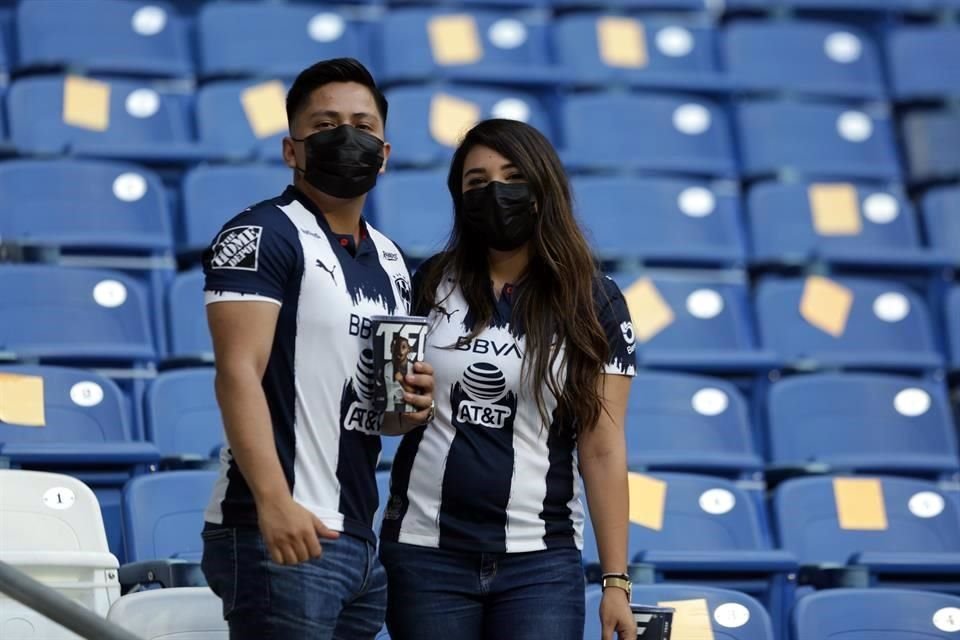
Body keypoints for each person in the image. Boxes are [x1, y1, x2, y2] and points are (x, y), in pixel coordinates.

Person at [199, 58, 435, 640]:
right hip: (276, 527)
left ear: (384, 152)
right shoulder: (259, 235)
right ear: (291, 149)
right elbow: (237, 373)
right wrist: (274, 503)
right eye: (326, 125)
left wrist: (408, 409)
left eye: (361, 124)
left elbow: (382, 413)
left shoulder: (391, 259)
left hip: (357, 540)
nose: (345, 136)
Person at [380, 119, 638, 640]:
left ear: (543, 190)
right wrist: (403, 411)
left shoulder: (596, 299)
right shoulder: (425, 283)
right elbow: (386, 417)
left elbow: (603, 446)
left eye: (512, 176)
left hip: (540, 563)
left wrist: (615, 581)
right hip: (425, 555)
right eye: (476, 183)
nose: (494, 193)